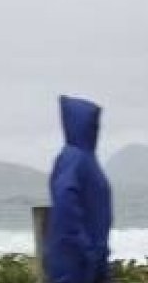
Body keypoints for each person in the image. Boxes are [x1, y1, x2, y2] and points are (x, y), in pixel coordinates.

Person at [44, 95, 113, 283]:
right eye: (92, 122)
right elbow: (65, 203)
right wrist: (85, 248)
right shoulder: (74, 159)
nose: (96, 127)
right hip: (76, 266)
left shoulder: (85, 158)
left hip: (90, 262)